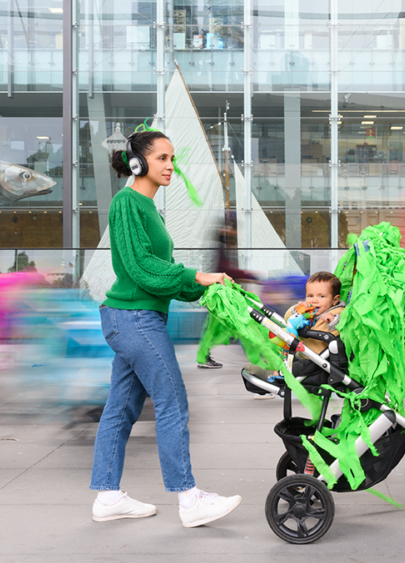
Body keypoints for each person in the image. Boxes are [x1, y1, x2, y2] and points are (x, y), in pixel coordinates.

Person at [91, 129, 242, 528]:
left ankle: (107, 496)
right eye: (162, 158)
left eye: (172, 158)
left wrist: (206, 284)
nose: (171, 166)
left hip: (137, 317)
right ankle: (189, 498)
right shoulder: (127, 203)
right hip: (134, 318)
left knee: (121, 409)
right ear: (138, 163)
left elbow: (163, 277)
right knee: (172, 402)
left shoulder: (148, 209)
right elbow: (142, 268)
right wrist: (196, 274)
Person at [253, 271, 346, 400]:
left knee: (302, 365)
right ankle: (273, 370)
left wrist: (333, 319)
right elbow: (288, 319)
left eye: (321, 296)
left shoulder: (338, 312)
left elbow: (342, 324)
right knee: (287, 357)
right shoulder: (310, 312)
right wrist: (297, 310)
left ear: (334, 299)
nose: (314, 300)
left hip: (321, 363)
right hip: (306, 354)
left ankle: (275, 375)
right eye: (310, 295)